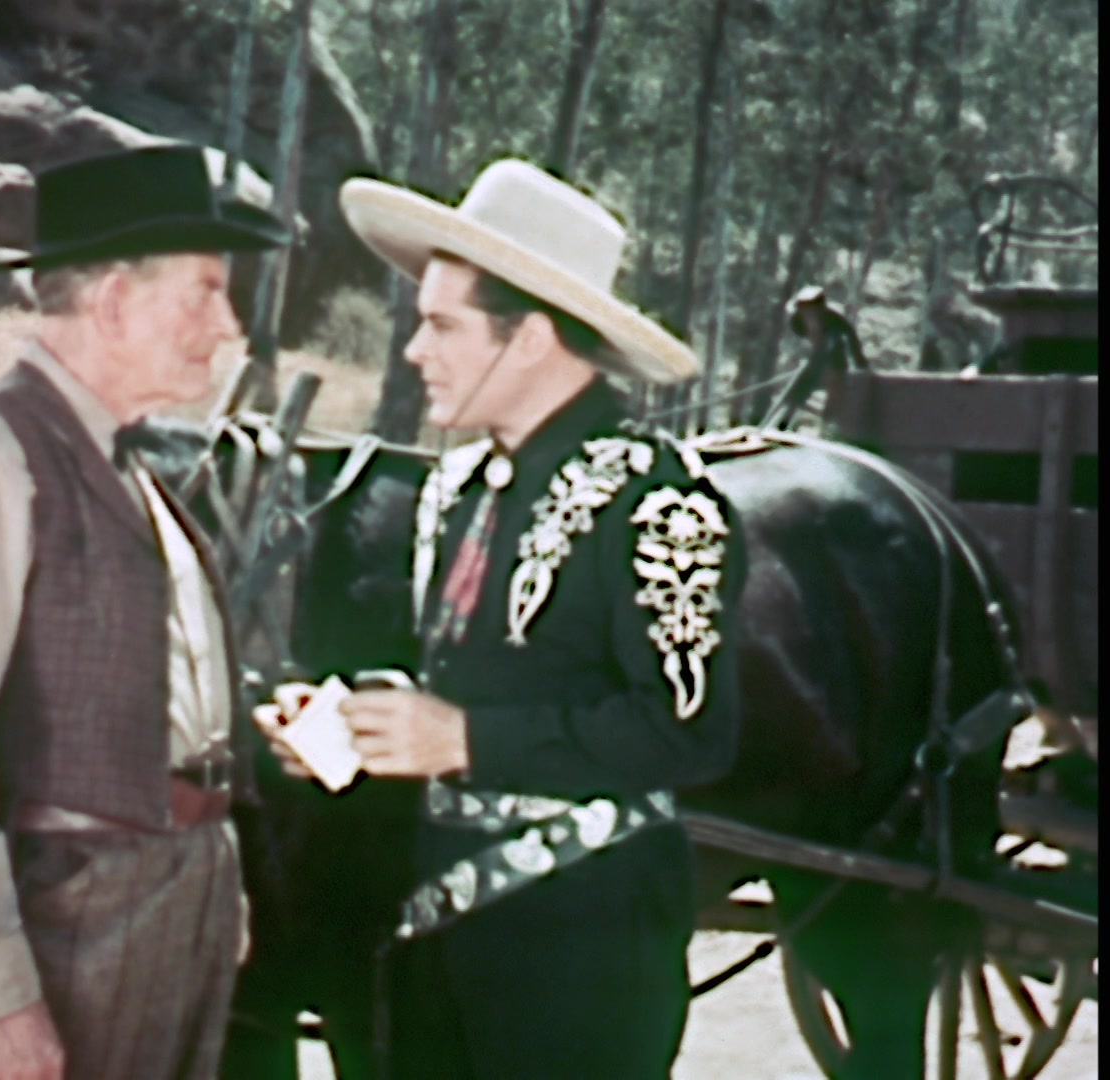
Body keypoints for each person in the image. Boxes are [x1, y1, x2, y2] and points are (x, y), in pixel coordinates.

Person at [256, 159, 748, 1078]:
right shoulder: (456, 490)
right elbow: (477, 685)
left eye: (443, 325)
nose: (414, 351)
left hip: (585, 960)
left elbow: (690, 735)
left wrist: (462, 740)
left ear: (528, 339)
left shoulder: (660, 504)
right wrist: (361, 725)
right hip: (435, 945)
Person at [0, 143, 289, 1080]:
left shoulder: (126, 467)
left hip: (171, 903)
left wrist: (215, 878)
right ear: (114, 302)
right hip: (69, 924)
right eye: (205, 292)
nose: (227, 327)